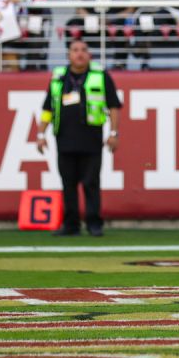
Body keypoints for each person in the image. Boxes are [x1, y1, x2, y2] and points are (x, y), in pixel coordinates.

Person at [35, 40, 123, 238]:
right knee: (68, 183)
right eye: (75, 50)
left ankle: (94, 223)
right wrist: (40, 134)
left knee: (91, 182)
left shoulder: (100, 75)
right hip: (64, 139)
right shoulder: (58, 77)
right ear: (68, 55)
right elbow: (48, 107)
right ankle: (71, 224)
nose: (80, 54)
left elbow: (114, 106)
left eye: (84, 50)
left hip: (91, 138)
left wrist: (114, 133)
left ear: (89, 54)